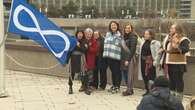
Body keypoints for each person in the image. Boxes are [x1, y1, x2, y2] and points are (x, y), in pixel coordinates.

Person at [159, 24, 191, 100]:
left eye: (172, 28)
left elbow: (185, 49)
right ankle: (172, 98)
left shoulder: (183, 39)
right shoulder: (169, 38)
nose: (170, 29)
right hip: (169, 62)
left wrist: (177, 46)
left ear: (177, 29)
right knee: (171, 81)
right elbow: (166, 47)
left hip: (178, 63)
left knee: (178, 81)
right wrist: (163, 49)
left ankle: (179, 99)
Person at [138, 29, 161, 96]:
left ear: (151, 35)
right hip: (143, 62)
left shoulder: (156, 43)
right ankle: (147, 90)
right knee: (144, 76)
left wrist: (155, 61)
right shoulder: (143, 42)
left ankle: (153, 91)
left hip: (150, 62)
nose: (145, 35)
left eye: (147, 34)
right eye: (145, 34)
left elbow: (158, 53)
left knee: (151, 77)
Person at [103, 21, 122, 93]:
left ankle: (117, 86)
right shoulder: (108, 34)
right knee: (112, 72)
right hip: (109, 56)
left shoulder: (119, 35)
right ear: (110, 27)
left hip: (116, 56)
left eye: (115, 25)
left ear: (117, 26)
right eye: (112, 25)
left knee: (116, 71)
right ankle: (114, 85)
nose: (113, 26)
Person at [120, 23, 138, 96]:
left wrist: (128, 59)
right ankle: (129, 89)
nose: (127, 29)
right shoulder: (124, 37)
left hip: (129, 58)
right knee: (125, 74)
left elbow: (133, 49)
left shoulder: (133, 37)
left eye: (129, 28)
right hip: (123, 58)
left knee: (129, 74)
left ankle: (129, 90)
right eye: (126, 28)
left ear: (131, 29)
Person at [68, 30, 88, 94]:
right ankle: (70, 87)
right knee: (71, 73)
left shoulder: (85, 41)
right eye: (79, 33)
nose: (80, 35)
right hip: (73, 58)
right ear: (76, 34)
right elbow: (70, 49)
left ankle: (84, 86)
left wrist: (78, 46)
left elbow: (84, 50)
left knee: (83, 73)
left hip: (81, 58)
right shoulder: (73, 41)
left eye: (81, 33)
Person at [82, 28, 98, 95]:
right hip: (83, 60)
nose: (88, 35)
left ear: (92, 35)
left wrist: (88, 47)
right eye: (87, 34)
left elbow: (95, 50)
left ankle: (88, 87)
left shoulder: (94, 41)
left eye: (90, 34)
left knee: (90, 74)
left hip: (90, 60)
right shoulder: (83, 40)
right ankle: (84, 86)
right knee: (83, 74)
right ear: (85, 34)